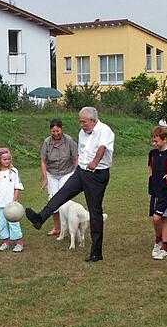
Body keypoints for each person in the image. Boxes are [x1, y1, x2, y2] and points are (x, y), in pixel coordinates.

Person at [26, 106, 115, 262]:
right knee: (61, 195)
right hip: (81, 172)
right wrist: (79, 167)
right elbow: (82, 152)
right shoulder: (82, 133)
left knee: (95, 211)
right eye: (80, 121)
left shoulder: (104, 130)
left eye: (84, 122)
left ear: (93, 120)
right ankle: (40, 218)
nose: (81, 125)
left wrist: (95, 162)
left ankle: (96, 252)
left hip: (97, 175)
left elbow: (102, 148)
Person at [40, 118, 78, 237]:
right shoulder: (47, 142)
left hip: (66, 172)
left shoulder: (69, 141)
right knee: (53, 199)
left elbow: (75, 157)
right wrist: (45, 178)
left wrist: (77, 173)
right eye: (53, 132)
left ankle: (67, 227)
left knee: (64, 199)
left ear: (61, 129)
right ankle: (57, 227)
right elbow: (43, 161)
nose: (56, 134)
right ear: (50, 131)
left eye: (58, 131)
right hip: (52, 174)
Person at [148, 126, 167, 260]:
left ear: (165, 140)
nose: (155, 144)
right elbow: (150, 167)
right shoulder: (152, 153)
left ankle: (158, 240)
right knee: (162, 218)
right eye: (153, 141)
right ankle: (164, 246)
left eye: (157, 141)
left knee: (158, 217)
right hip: (155, 191)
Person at [0, 147, 25, 252]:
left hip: (11, 204)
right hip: (0, 204)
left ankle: (19, 242)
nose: (7, 161)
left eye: (8, 159)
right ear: (0, 160)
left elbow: (17, 187)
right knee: (2, 223)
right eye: (4, 159)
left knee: (13, 223)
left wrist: (14, 200)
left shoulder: (14, 172)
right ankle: (5, 241)